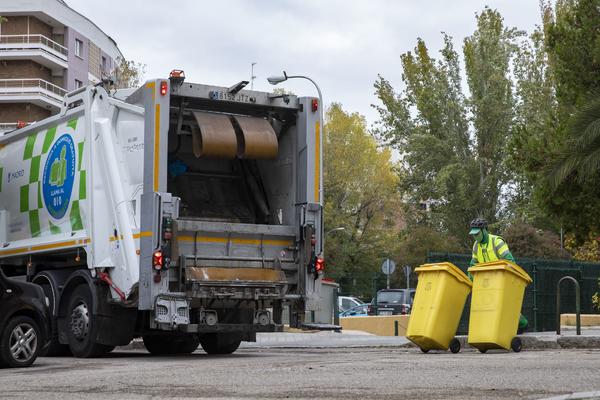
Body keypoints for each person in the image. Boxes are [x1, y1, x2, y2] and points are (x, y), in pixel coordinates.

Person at [469, 218, 528, 334]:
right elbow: (473, 264)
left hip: (502, 279)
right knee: (488, 306)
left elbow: (510, 261)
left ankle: (523, 324)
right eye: (473, 234)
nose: (475, 237)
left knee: (505, 306)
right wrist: (470, 279)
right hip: (486, 281)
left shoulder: (497, 242)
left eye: (477, 234)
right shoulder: (476, 245)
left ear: (484, 230)